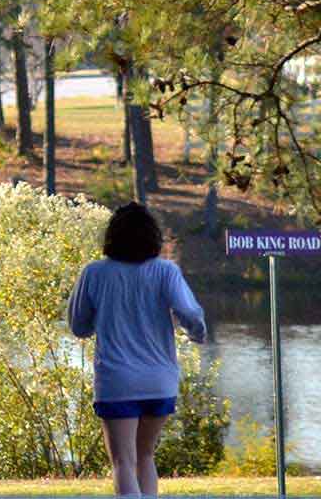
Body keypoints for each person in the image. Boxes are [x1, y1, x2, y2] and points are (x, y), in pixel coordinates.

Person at [68, 202, 208, 499]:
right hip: (160, 380)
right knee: (145, 457)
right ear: (153, 237)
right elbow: (190, 313)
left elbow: (79, 327)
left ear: (112, 237)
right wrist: (197, 334)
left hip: (116, 381)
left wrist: (105, 316)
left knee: (123, 461)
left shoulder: (94, 273)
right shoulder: (165, 271)